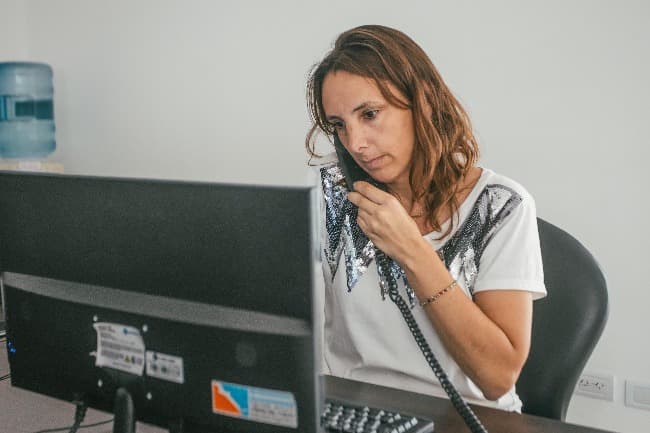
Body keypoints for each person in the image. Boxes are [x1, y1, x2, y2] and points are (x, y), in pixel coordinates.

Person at [305, 24, 547, 413]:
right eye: (339, 126)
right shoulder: (329, 192)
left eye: (370, 114)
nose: (356, 144)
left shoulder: (502, 207)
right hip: (354, 409)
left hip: (464, 417)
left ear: (424, 101)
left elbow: (496, 376)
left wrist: (412, 250)